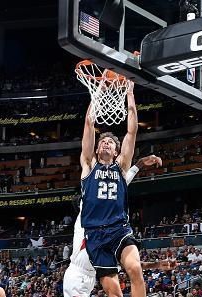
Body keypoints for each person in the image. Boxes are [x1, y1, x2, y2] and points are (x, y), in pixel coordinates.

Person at [64, 155, 171, 297]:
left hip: (89, 277)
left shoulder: (108, 232)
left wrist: (156, 265)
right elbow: (116, 185)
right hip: (77, 277)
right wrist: (138, 165)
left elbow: (130, 265)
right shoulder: (87, 212)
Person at [80, 81, 145, 296]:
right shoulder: (88, 165)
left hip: (119, 228)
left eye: (110, 142)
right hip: (95, 234)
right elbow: (89, 124)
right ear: (97, 148)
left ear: (117, 151)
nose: (105, 143)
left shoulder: (122, 166)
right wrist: (97, 91)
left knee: (135, 269)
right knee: (114, 292)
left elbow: (132, 131)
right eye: (103, 141)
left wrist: (130, 94)